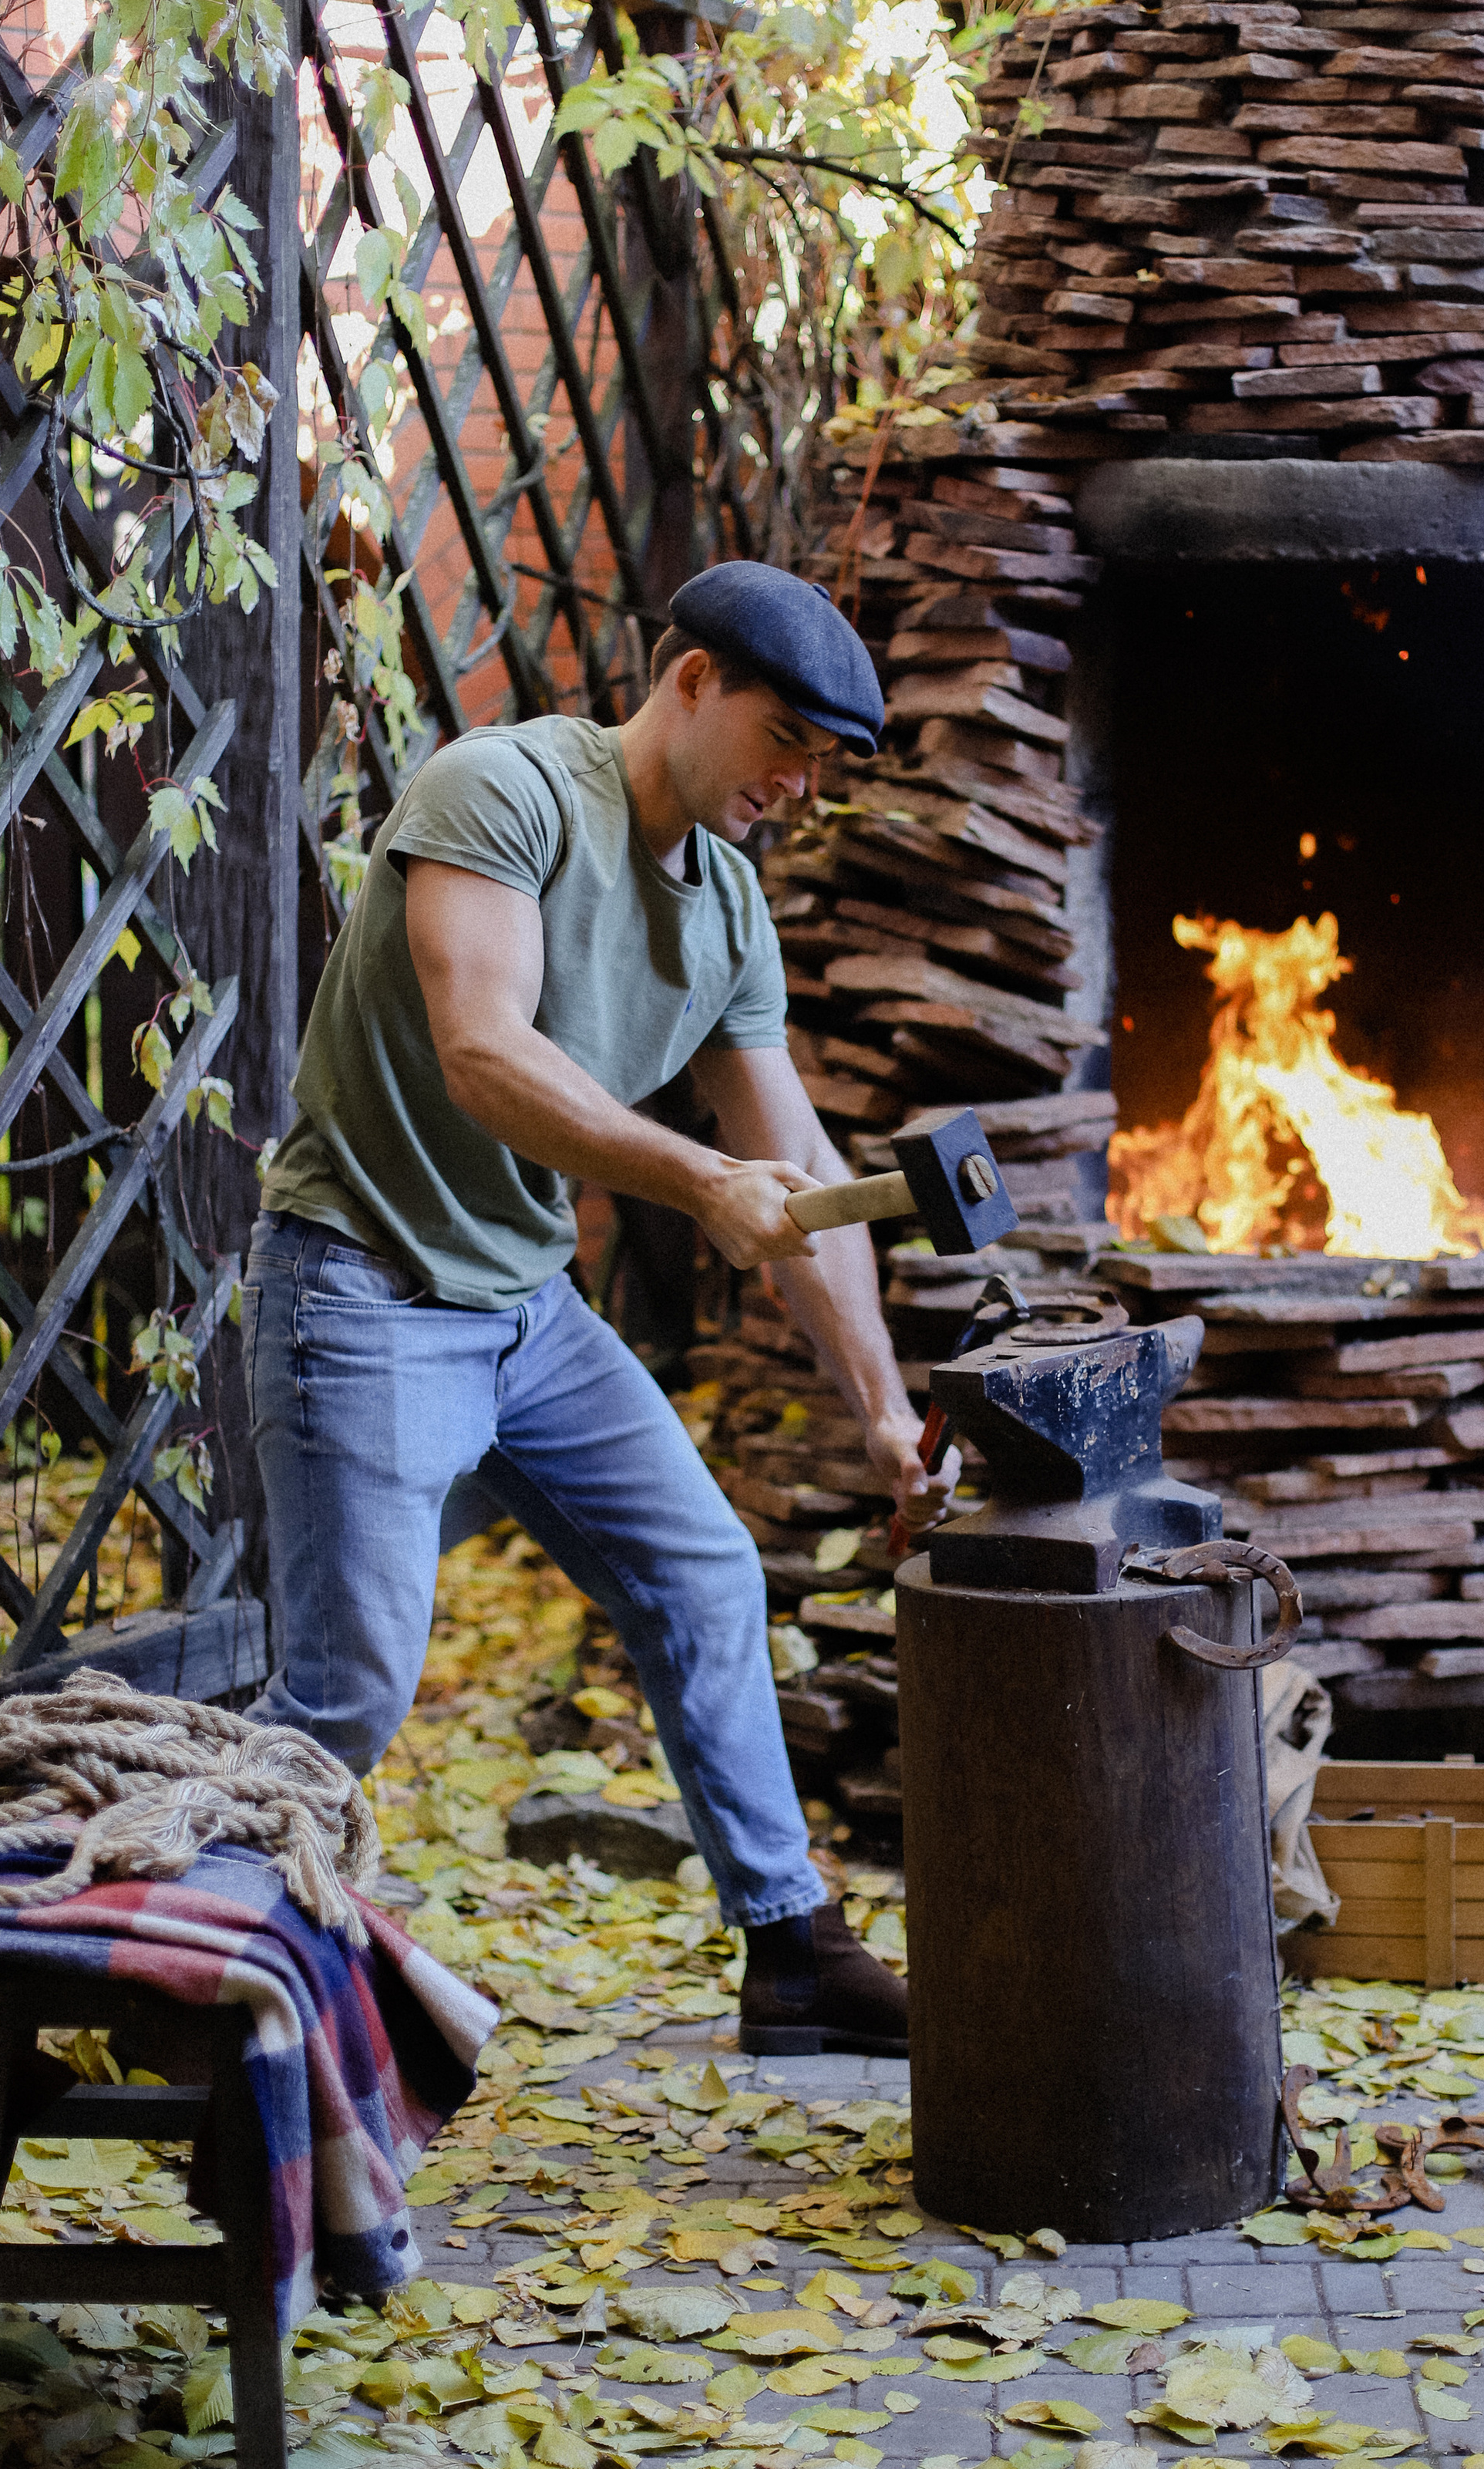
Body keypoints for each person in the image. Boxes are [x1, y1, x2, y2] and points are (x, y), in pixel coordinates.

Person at [241, 562, 959, 2055]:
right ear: (690, 681)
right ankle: (163, 1942)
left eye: (825, 761)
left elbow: (802, 1176)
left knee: (705, 1574)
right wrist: (699, 1180)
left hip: (523, 1310)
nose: (799, 785)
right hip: (364, 1288)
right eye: (784, 739)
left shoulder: (730, 912)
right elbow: (482, 1052)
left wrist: (886, 1412)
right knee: (351, 1689)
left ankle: (791, 1953)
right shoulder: (501, 792)